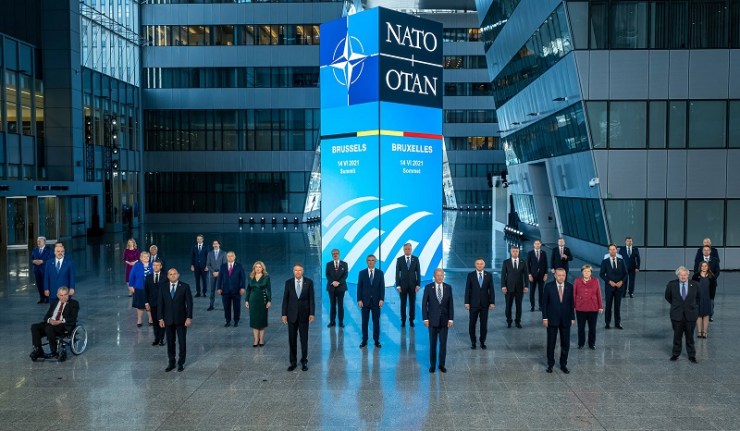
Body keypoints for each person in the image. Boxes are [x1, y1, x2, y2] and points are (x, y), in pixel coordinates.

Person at [30, 286, 79, 360]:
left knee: (49, 328)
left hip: (63, 325)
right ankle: (38, 351)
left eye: (65, 295)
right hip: (51, 323)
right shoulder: (54, 302)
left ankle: (54, 352)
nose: (63, 297)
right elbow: (46, 316)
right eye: (61, 295)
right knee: (34, 327)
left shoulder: (74, 304)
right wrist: (50, 320)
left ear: (68, 294)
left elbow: (73, 318)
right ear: (58, 295)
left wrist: (60, 321)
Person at [158, 268, 193, 372]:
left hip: (181, 319)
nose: (173, 276)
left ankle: (181, 363)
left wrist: (189, 317)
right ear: (167, 276)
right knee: (170, 342)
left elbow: (189, 303)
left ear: (178, 275)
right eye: (170, 274)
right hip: (168, 319)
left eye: (174, 274)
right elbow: (160, 303)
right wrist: (160, 318)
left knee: (182, 342)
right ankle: (171, 362)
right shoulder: (163, 287)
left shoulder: (185, 286)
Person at [281, 264, 315, 371]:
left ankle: (304, 361)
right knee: (292, 340)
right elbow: (285, 299)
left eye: (300, 270)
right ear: (293, 271)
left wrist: (312, 313)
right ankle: (293, 362)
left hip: (304, 316)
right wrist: (284, 314)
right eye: (296, 270)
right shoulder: (288, 283)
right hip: (291, 315)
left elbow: (311, 299)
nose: (298, 272)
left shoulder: (309, 282)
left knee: (304, 340)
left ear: (302, 271)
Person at [542, 268, 575, 374]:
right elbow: (544, 303)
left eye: (563, 275)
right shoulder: (548, 286)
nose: (561, 277)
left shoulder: (570, 287)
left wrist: (572, 317)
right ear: (555, 275)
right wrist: (545, 318)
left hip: (566, 319)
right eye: (559, 275)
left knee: (565, 343)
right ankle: (550, 364)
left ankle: (563, 364)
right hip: (552, 319)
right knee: (551, 343)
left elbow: (571, 304)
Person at [665, 266, 700, 363]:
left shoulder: (695, 284)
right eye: (681, 275)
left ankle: (692, 355)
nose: (683, 277)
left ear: (688, 275)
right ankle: (675, 354)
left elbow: (699, 297)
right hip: (677, 314)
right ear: (678, 275)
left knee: (690, 336)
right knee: (677, 336)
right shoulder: (671, 284)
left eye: (685, 275)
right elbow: (667, 297)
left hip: (691, 314)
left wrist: (692, 306)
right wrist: (676, 305)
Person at [422, 268, 454, 373]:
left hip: (444, 321)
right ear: (434, 276)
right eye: (438, 275)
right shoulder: (428, 287)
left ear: (443, 276)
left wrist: (451, 319)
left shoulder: (448, 287)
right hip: (432, 321)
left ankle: (441, 365)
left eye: (441, 275)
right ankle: (432, 365)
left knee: (443, 344)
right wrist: (425, 318)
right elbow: (424, 304)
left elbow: (450, 304)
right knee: (433, 344)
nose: (440, 277)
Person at [464, 258, 494, 349]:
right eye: (478, 264)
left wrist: (492, 302)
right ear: (475, 265)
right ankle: (473, 342)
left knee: (484, 324)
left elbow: (491, 290)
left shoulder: (489, 275)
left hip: (485, 304)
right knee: (472, 324)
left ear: (484, 265)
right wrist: (466, 302)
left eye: (481, 264)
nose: (479, 265)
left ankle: (482, 342)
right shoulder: (470, 275)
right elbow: (467, 289)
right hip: (473, 304)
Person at [358, 254, 385, 348]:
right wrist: (359, 299)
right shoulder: (362, 273)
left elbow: (382, 287)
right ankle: (364, 340)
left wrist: (381, 299)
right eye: (369, 260)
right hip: (364, 302)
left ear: (375, 262)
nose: (371, 262)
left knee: (376, 322)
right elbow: (359, 287)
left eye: (372, 260)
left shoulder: (380, 273)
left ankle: (376, 340)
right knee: (364, 322)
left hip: (376, 301)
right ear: (367, 261)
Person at [574, 265, 603, 349]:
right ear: (582, 272)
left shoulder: (595, 280)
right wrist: (573, 306)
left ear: (591, 272)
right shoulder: (577, 280)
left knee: (592, 328)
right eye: (585, 271)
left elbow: (598, 293)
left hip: (593, 307)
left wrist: (600, 306)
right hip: (580, 307)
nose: (586, 273)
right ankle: (581, 343)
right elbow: (574, 294)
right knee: (581, 328)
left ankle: (592, 344)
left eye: (588, 271)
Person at [600, 244, 628, 329]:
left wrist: (621, 282)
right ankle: (607, 323)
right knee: (608, 306)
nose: (612, 251)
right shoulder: (605, 262)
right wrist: (609, 281)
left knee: (617, 306)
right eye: (610, 249)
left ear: (616, 250)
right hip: (609, 288)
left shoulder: (621, 261)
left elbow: (626, 274)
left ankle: (617, 323)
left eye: (614, 249)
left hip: (619, 288)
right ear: (608, 251)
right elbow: (601, 274)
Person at [501, 246, 529, 328]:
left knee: (519, 306)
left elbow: (526, 275)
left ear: (518, 252)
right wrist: (503, 286)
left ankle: (518, 322)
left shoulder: (523, 262)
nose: (515, 253)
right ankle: (509, 321)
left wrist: (526, 286)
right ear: (511, 252)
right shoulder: (506, 262)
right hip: (508, 287)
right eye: (513, 251)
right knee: (508, 305)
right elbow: (503, 275)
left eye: (516, 251)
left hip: (520, 288)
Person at [216, 251, 246, 327]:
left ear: (234, 257)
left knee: (236, 307)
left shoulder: (239, 266)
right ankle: (228, 321)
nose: (230, 257)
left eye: (231, 256)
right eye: (228, 256)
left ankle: (236, 321)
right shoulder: (223, 266)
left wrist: (242, 287)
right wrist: (219, 288)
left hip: (236, 290)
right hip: (225, 291)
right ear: (226, 257)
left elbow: (243, 278)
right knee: (226, 307)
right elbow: (220, 278)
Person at [246, 261, 272, 347]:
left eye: (259, 267)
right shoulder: (251, 277)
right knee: (254, 321)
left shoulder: (266, 277)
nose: (257, 268)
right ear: (254, 268)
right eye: (256, 267)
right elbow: (248, 289)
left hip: (262, 301)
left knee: (261, 320)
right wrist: (246, 300)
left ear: (262, 268)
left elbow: (269, 290)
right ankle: (256, 339)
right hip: (253, 301)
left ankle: (261, 339)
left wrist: (269, 301)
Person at [395, 243, 421, 327]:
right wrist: (398, 285)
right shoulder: (399, 259)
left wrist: (418, 285)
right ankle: (403, 320)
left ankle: (411, 320)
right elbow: (397, 273)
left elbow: (418, 273)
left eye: (409, 249)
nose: (407, 250)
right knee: (403, 304)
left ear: (411, 249)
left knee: (412, 304)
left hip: (413, 286)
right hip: (402, 286)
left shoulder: (415, 259)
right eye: (405, 249)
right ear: (403, 250)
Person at [693, 245, 720, 321]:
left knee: (710, 300)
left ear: (710, 251)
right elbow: (695, 270)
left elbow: (717, 271)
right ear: (702, 251)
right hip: (700, 282)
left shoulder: (715, 260)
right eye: (704, 250)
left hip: (711, 283)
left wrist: (712, 278)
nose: (706, 251)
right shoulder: (698, 260)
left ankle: (709, 315)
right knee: (699, 299)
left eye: (708, 250)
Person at [128, 251, 153, 327]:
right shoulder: (136, 266)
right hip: (139, 288)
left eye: (147, 256)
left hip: (151, 289)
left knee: (150, 304)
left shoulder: (153, 265)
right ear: (141, 258)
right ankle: (139, 319)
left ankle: (150, 319)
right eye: (144, 256)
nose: (146, 258)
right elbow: (131, 276)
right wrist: (131, 286)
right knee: (140, 305)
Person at [691, 261, 716, 339]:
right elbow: (692, 287)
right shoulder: (696, 276)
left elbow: (714, 288)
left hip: (708, 298)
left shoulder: (712, 276)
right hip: (698, 298)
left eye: (706, 266)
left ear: (708, 267)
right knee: (698, 315)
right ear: (700, 267)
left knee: (706, 315)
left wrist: (712, 298)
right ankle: (699, 331)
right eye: (702, 266)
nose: (704, 267)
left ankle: (705, 332)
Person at [145, 260, 166, 346]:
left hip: (163, 303)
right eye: (154, 265)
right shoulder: (148, 277)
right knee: (155, 321)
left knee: (162, 320)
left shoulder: (165, 277)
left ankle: (161, 338)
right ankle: (156, 338)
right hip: (152, 302)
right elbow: (146, 291)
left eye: (157, 265)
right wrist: (146, 303)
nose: (155, 267)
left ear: (161, 266)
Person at [325, 249, 348, 328]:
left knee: (340, 305)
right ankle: (332, 321)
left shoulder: (344, 264)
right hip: (331, 287)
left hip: (341, 287)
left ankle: (341, 322)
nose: (335, 255)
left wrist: (338, 282)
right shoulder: (328, 264)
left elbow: (345, 275)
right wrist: (333, 282)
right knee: (332, 305)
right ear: (332, 255)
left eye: (336, 253)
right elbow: (327, 275)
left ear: (339, 254)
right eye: (333, 253)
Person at [527, 240, 548, 311]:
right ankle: (532, 306)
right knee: (532, 291)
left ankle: (540, 306)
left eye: (538, 243)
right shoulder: (530, 253)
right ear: (534, 244)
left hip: (541, 275)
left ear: (540, 244)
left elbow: (546, 264)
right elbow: (527, 264)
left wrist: (546, 274)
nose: (537, 245)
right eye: (536, 243)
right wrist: (529, 274)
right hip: (533, 275)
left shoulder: (543, 253)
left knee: (541, 291)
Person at [31, 236, 52, 303]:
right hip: (36, 270)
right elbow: (32, 258)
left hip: (45, 270)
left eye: (40, 241)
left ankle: (47, 298)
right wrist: (33, 261)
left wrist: (43, 261)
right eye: (38, 241)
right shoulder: (35, 249)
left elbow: (50, 260)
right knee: (39, 284)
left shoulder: (49, 250)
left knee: (45, 284)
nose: (38, 242)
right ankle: (41, 298)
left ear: (44, 242)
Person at [206, 240, 227, 309]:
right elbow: (208, 265)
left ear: (219, 245)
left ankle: (225, 306)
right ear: (212, 245)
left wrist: (218, 273)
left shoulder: (223, 253)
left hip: (221, 275)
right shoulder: (209, 253)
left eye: (216, 244)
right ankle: (211, 305)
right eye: (214, 244)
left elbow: (225, 265)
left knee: (222, 290)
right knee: (212, 290)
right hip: (212, 274)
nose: (215, 245)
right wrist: (213, 272)